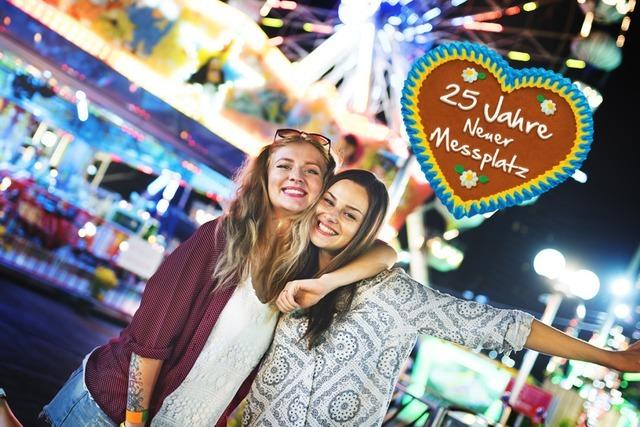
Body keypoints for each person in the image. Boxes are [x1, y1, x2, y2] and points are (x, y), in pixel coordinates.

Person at [40, 129, 397, 427]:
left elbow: (384, 254)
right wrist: (135, 422)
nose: (296, 176)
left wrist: (326, 283)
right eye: (284, 165)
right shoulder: (220, 237)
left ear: (323, 192)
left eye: (312, 171)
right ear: (265, 175)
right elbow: (149, 341)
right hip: (109, 412)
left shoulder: (303, 271)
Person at [242, 169, 640, 426]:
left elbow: (507, 327)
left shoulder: (391, 294)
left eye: (350, 215)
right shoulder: (285, 269)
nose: (330, 216)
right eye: (328, 202)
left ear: (366, 231)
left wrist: (609, 358)